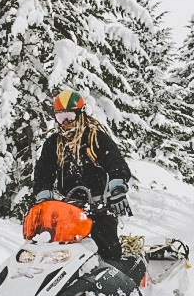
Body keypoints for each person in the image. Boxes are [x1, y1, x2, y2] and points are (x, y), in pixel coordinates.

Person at [33, 90, 132, 261]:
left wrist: (117, 186)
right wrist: (43, 194)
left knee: (110, 253)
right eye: (60, 117)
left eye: (70, 116)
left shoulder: (96, 138)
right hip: (68, 208)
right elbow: (43, 171)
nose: (66, 122)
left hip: (98, 205)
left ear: (80, 114)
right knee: (59, 251)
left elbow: (115, 161)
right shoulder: (54, 143)